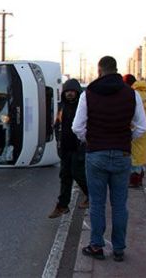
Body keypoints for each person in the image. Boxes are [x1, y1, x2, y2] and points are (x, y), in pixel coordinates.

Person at [72, 56, 146, 262]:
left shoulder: (88, 94)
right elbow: (142, 127)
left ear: (99, 71)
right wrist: (126, 139)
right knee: (119, 204)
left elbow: (77, 127)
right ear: (116, 70)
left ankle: (96, 246)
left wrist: (90, 140)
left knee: (97, 203)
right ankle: (119, 249)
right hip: (122, 154)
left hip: (96, 153)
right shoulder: (132, 94)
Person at [48, 79, 90, 219]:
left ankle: (91, 195)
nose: (70, 94)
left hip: (79, 147)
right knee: (65, 176)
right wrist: (58, 143)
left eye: (72, 91)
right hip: (65, 147)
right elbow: (57, 125)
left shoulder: (83, 106)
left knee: (78, 173)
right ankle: (62, 206)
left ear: (77, 92)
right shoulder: (62, 107)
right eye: (67, 91)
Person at [122, 74, 146, 188]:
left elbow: (132, 113)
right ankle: (138, 178)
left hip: (136, 129)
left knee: (135, 158)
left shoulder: (135, 94)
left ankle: (135, 180)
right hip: (144, 129)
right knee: (140, 156)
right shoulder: (143, 93)